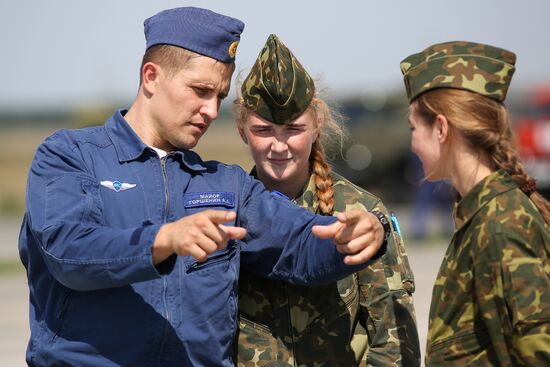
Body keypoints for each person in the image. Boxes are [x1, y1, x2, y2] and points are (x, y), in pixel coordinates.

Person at [17, 7, 389, 367]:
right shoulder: (69, 156)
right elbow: (69, 252)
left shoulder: (225, 184)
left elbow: (299, 244)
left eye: (220, 97)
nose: (212, 111)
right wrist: (163, 240)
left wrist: (359, 238)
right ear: (151, 77)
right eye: (200, 91)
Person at [233, 34, 420, 366]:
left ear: (317, 127)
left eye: (293, 129)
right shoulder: (227, 210)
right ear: (241, 129)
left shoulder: (360, 213)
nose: (278, 146)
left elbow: (393, 340)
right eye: (263, 130)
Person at [400, 41, 550, 366]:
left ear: (441, 128)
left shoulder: (501, 224)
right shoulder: (481, 214)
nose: (411, 142)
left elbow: (539, 352)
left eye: (413, 128)